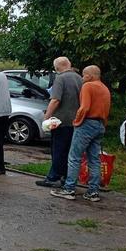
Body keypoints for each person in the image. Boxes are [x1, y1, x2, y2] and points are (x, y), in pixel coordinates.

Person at [51, 65, 111, 202]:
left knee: (74, 157)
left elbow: (84, 107)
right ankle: (93, 191)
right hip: (100, 124)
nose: (82, 78)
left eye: (84, 75)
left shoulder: (88, 86)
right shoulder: (105, 88)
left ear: (89, 76)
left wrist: (76, 122)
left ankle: (69, 189)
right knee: (94, 159)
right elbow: (106, 109)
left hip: (87, 123)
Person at [36, 57, 83, 187]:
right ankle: (66, 177)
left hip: (61, 121)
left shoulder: (61, 78)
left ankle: (53, 177)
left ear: (56, 68)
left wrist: (46, 117)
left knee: (58, 150)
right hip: (76, 121)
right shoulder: (79, 78)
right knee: (69, 151)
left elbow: (55, 99)